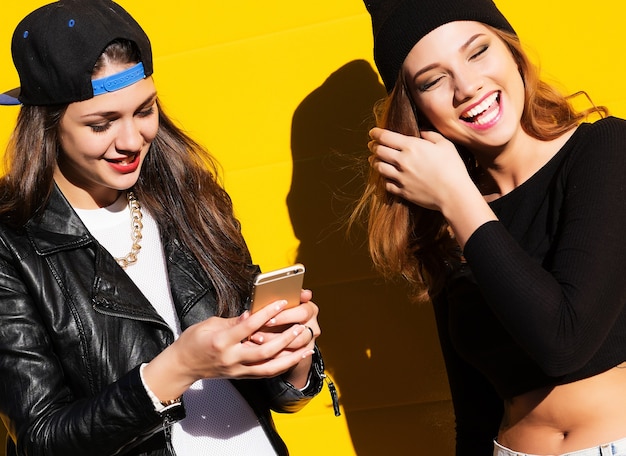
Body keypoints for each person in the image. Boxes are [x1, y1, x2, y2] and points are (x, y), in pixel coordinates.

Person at [0, 1, 327, 455]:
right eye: (102, 123)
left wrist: (290, 353)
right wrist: (179, 366)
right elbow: (43, 440)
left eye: (145, 110)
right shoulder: (12, 245)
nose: (132, 141)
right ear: (48, 126)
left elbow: (278, 397)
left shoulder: (190, 196)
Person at [354, 0, 626, 455]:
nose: (466, 87)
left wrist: (456, 197)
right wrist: (453, 201)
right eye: (433, 80)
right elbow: (474, 412)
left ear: (512, 53)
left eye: (477, 52)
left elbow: (565, 341)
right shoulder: (443, 220)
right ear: (416, 109)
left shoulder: (604, 150)